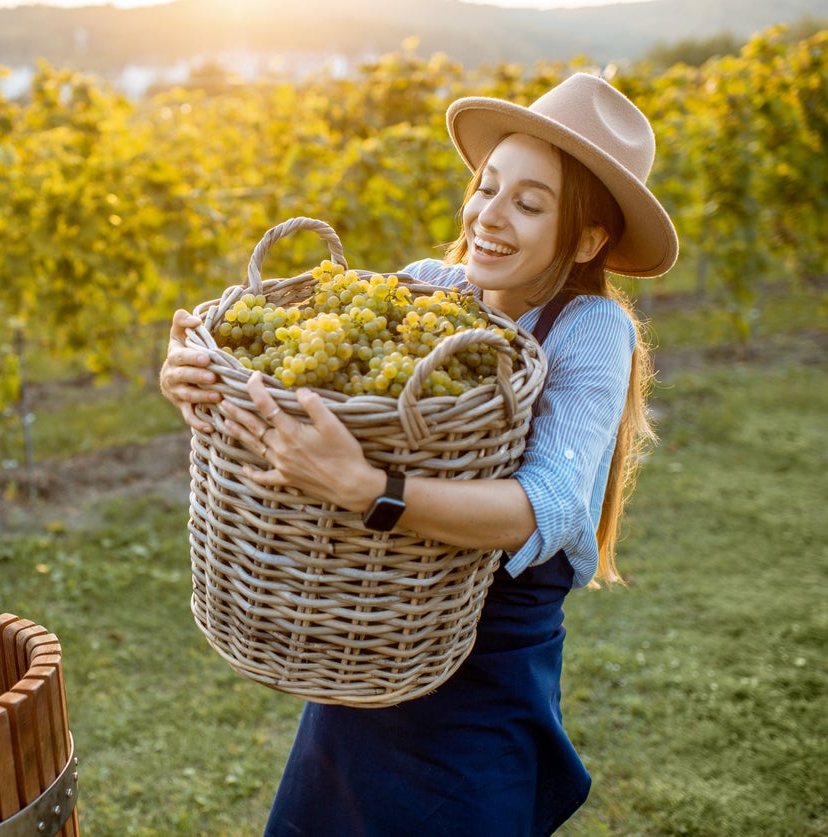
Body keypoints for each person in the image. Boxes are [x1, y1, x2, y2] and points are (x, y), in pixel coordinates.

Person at [159, 72, 678, 835]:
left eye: (529, 204)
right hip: (369, 640)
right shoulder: (430, 287)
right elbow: (299, 379)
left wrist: (374, 490)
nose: (488, 217)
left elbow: (549, 504)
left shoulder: (589, 326)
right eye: (486, 187)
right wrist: (201, 378)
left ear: (589, 238)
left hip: (484, 681)